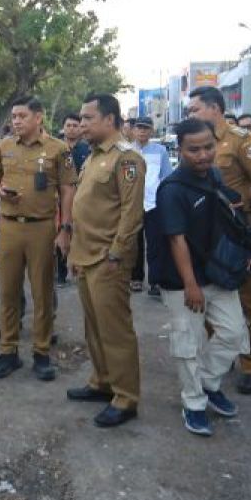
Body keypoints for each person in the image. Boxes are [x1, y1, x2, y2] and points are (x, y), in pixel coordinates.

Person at [154, 118, 248, 436]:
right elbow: (175, 239)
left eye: (208, 147)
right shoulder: (172, 189)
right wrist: (191, 284)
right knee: (188, 344)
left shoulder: (215, 177)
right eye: (194, 150)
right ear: (179, 150)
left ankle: (208, 383)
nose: (203, 155)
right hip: (183, 282)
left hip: (218, 274)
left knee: (233, 334)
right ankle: (193, 403)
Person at [187, 85, 251, 395]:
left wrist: (249, 216)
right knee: (211, 297)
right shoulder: (199, 142)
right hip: (206, 233)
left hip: (235, 233)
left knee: (247, 299)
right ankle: (223, 358)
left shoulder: (241, 142)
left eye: (195, 109)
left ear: (214, 108)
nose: (191, 114)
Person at [66, 93, 145, 427]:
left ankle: (125, 397)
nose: (81, 124)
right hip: (86, 255)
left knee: (115, 330)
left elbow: (131, 213)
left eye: (87, 118)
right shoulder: (93, 156)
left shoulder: (126, 158)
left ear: (109, 120)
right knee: (94, 327)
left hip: (107, 258)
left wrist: (117, 253)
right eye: (81, 119)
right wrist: (72, 250)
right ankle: (102, 382)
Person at [0, 97, 77, 382]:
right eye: (14, 116)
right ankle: (8, 351)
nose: (16, 121)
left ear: (39, 118)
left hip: (42, 228)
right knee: (9, 291)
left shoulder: (58, 150)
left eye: (22, 116)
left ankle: (41, 352)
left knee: (42, 292)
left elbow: (67, 189)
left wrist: (65, 228)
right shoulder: (5, 146)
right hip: (10, 226)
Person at [130, 117, 173, 296]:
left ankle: (155, 281)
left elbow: (166, 176)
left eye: (146, 128)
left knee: (156, 244)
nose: (142, 131)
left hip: (154, 204)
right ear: (133, 130)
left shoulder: (160, 151)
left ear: (151, 131)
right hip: (132, 204)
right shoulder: (126, 151)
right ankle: (136, 278)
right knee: (135, 243)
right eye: (139, 128)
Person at [56, 113, 90, 285]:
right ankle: (60, 273)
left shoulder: (87, 150)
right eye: (68, 125)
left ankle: (79, 268)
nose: (71, 128)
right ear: (63, 127)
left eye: (75, 125)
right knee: (60, 232)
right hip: (60, 199)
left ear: (80, 128)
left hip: (81, 200)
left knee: (80, 235)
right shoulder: (56, 148)